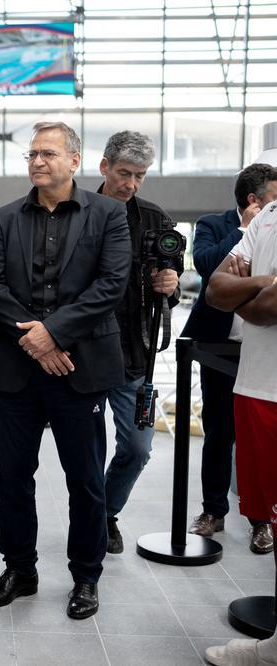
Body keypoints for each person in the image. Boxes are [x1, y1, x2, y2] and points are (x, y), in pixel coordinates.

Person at [0, 121, 130, 620]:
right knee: (12, 478)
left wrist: (54, 333)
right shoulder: (4, 217)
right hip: (18, 367)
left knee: (84, 480)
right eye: (32, 154)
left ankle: (86, 576)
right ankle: (19, 569)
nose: (38, 161)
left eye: (48, 153)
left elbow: (110, 285)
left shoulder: (108, 214)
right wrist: (37, 340)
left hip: (79, 368)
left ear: (75, 159)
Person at [179, 162, 277, 554]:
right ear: (254, 199)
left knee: (254, 443)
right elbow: (208, 273)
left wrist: (244, 284)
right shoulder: (213, 224)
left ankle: (260, 522)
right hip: (216, 345)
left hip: (255, 349)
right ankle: (213, 510)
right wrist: (244, 235)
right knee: (218, 430)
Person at [95, 131, 181, 555]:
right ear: (104, 167)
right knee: (86, 454)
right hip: (85, 357)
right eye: (124, 173)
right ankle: (93, 520)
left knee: (137, 447)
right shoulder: (79, 213)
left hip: (135, 357)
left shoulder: (155, 219)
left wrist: (171, 283)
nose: (131, 183)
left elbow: (173, 278)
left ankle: (105, 512)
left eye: (140, 176)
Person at [202, 204, 277, 663]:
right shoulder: (269, 212)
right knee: (271, 512)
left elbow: (265, 310)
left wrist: (249, 293)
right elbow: (215, 290)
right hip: (256, 386)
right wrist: (265, 283)